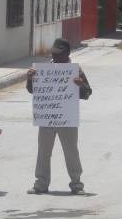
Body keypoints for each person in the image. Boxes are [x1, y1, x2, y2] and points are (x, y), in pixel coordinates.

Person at [25, 38, 92, 195]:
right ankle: (41, 183)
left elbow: (87, 93)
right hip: (47, 117)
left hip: (67, 118)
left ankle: (76, 184)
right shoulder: (44, 69)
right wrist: (30, 78)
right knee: (43, 151)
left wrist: (80, 85)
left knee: (71, 152)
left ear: (67, 53)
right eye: (53, 54)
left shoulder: (75, 70)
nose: (55, 57)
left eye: (58, 54)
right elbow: (32, 90)